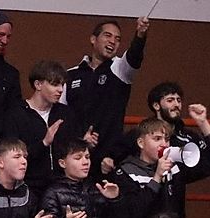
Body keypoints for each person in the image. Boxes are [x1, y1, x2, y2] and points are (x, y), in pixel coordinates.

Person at [131, 81, 210, 218]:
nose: (176, 104)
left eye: (179, 100)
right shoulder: (138, 134)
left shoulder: (188, 137)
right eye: (170, 100)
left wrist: (203, 123)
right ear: (156, 105)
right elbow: (115, 160)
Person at [63, 17, 150, 169]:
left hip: (107, 161)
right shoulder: (71, 75)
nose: (112, 41)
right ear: (93, 39)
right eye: (107, 35)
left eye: (117, 39)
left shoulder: (119, 69)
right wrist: (79, 139)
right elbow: (61, 115)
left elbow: (134, 57)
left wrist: (140, 35)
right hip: (74, 157)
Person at [4, 60, 89, 196]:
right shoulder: (16, 114)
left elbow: (72, 151)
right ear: (38, 84)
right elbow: (11, 156)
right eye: (55, 84)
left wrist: (84, 143)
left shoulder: (66, 113)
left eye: (62, 84)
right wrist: (44, 143)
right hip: (28, 188)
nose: (60, 90)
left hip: (62, 187)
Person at [110, 119, 175, 218]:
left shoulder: (171, 170)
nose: (164, 144)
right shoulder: (125, 172)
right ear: (141, 143)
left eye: (166, 139)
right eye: (157, 139)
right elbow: (133, 213)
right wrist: (156, 178)